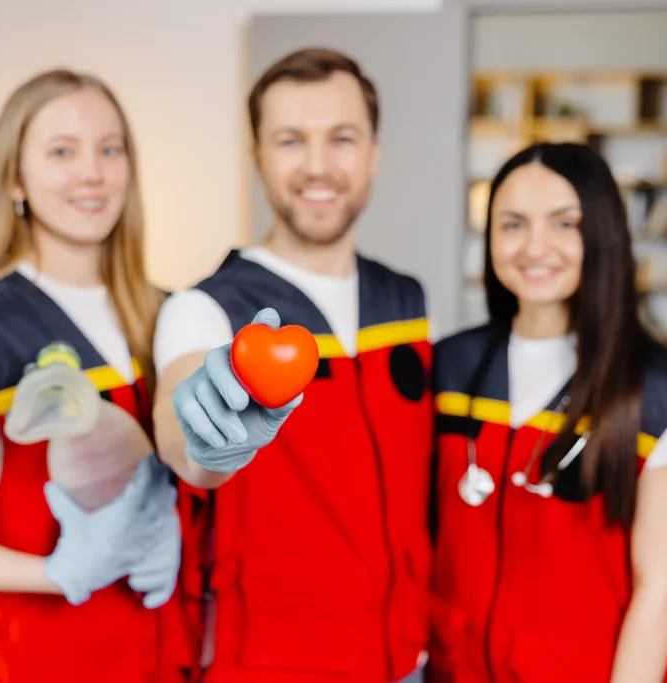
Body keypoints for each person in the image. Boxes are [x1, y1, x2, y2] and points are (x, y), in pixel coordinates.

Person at [151, 48, 434, 683]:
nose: (317, 166)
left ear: (373, 153)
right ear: (257, 157)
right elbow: (181, 437)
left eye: (341, 138)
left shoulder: (408, 302)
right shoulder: (206, 311)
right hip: (273, 665)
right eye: (289, 140)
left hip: (408, 659)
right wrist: (207, 442)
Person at [0, 69, 188, 683]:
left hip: (163, 655)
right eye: (62, 152)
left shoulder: (169, 317)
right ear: (14, 177)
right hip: (39, 660)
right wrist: (62, 572)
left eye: (110, 149)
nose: (93, 172)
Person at [427, 142, 667, 683]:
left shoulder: (657, 395)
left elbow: (659, 588)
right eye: (512, 224)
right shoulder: (449, 367)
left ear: (602, 234)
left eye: (564, 224)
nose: (536, 247)